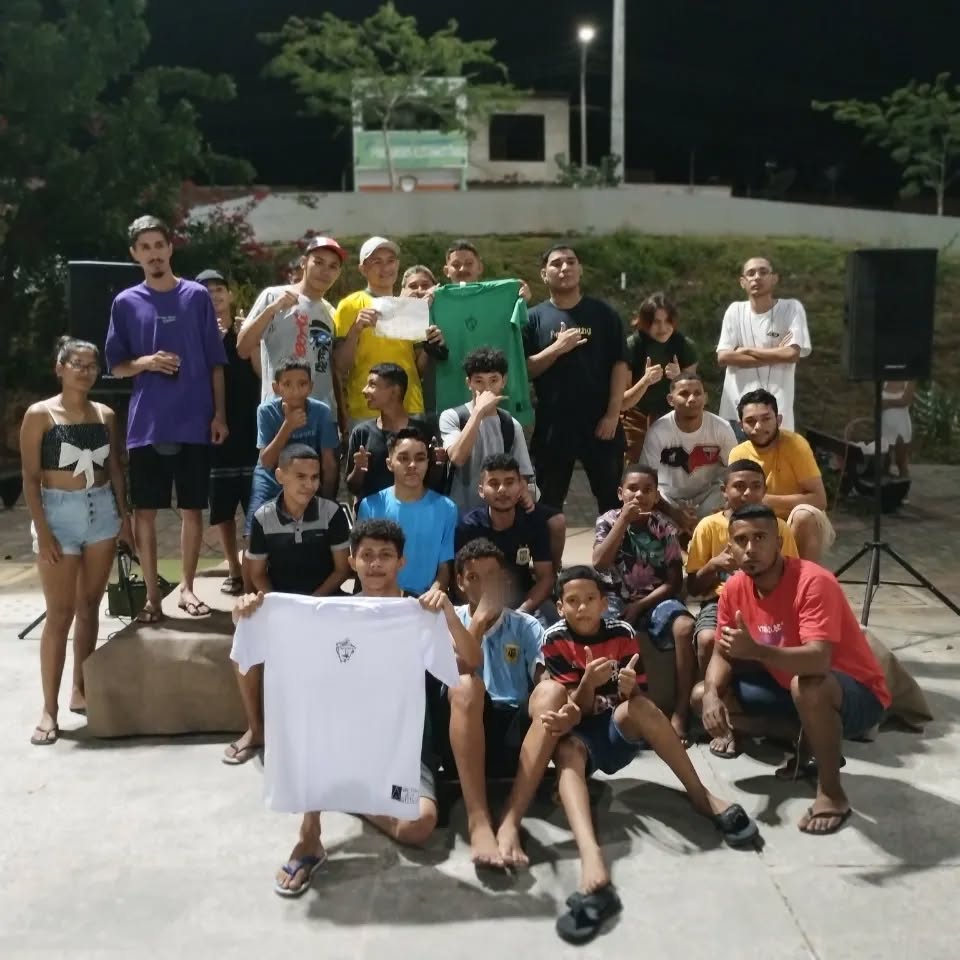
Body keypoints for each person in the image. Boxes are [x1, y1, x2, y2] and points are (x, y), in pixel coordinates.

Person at [233, 518, 481, 896]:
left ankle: (348, 797)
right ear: (351, 561)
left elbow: (471, 662)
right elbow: (253, 647)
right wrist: (247, 613)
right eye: (367, 555)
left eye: (386, 555)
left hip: (402, 747)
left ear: (402, 562)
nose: (376, 563)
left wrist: (448, 612)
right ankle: (310, 835)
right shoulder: (327, 613)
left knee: (419, 826)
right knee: (314, 717)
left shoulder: (419, 610)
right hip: (341, 740)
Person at [543, 566, 758, 944]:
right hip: (578, 736)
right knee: (566, 750)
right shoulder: (554, 639)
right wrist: (588, 685)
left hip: (614, 731)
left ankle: (701, 795)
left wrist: (630, 689)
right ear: (560, 607)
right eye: (572, 601)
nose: (582, 608)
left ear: (604, 603)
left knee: (642, 708)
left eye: (590, 599)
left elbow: (636, 699)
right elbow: (571, 712)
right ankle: (591, 857)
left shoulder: (623, 633)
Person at [693, 504, 891, 834]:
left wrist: (757, 651)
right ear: (731, 548)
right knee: (701, 696)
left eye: (760, 538)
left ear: (779, 542)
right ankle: (804, 737)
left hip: (855, 693)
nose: (750, 548)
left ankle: (832, 794)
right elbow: (722, 653)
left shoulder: (814, 582)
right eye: (741, 540)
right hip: (788, 686)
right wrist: (713, 692)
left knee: (809, 686)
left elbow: (818, 661)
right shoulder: (734, 588)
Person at [105, 215, 228, 622]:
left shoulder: (196, 296)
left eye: (159, 245)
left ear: (170, 248)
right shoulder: (125, 302)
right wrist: (146, 362)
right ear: (135, 254)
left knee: (193, 508)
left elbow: (215, 362)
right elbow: (116, 365)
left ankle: (188, 588)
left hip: (195, 421)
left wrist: (219, 415)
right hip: (147, 425)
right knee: (145, 512)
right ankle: (153, 597)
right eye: (145, 247)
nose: (154, 253)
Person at [19, 337, 133, 744]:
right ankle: (48, 710)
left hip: (101, 512)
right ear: (60, 367)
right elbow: (30, 477)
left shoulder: (105, 414)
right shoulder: (40, 414)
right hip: (58, 514)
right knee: (60, 613)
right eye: (77, 364)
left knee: (90, 607)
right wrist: (43, 529)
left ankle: (80, 689)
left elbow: (115, 469)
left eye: (91, 365)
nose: (85, 371)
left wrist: (124, 517)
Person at [443, 538, 571, 866]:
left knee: (554, 691)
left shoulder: (526, 625)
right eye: (474, 578)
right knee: (467, 685)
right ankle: (478, 820)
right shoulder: (447, 622)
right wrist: (477, 624)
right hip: (463, 729)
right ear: (460, 583)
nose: (484, 586)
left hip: (513, 730)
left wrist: (563, 707)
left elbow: (544, 681)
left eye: (491, 577)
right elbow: (460, 669)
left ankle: (511, 821)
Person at [223, 444, 351, 766]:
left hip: (326, 603)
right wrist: (281, 604)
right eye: (300, 477)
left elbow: (342, 570)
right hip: (281, 604)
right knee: (244, 638)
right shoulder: (262, 517)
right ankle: (257, 730)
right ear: (280, 476)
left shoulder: (332, 513)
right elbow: (257, 573)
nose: (309, 484)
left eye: (315, 477)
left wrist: (312, 603)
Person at [593, 465, 696, 743]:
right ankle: (615, 708)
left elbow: (674, 582)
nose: (639, 495)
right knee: (601, 626)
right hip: (615, 598)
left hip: (655, 599)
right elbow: (599, 562)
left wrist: (640, 606)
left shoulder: (664, 527)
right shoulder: (607, 521)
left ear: (656, 496)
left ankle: (681, 711)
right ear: (620, 493)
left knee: (685, 627)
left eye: (647, 490)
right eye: (632, 489)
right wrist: (623, 522)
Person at [524, 244, 629, 514]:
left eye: (571, 262)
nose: (565, 268)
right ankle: (549, 545)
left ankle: (613, 544)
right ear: (544, 274)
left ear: (580, 270)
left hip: (601, 422)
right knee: (547, 504)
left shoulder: (604, 314)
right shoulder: (532, 319)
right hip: (553, 424)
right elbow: (524, 371)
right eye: (556, 263)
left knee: (613, 501)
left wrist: (612, 415)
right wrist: (557, 349)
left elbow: (620, 365)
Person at [686, 459, 800, 687]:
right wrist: (713, 566)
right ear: (724, 491)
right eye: (739, 486)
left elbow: (792, 575)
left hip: (770, 603)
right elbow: (692, 588)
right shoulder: (708, 526)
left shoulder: (778, 528)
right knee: (708, 639)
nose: (748, 493)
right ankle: (710, 692)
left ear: (765, 491)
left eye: (756, 486)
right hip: (719, 602)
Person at [333, 236, 447, 431]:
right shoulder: (349, 305)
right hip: (366, 409)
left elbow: (418, 367)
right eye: (376, 262)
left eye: (390, 260)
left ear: (398, 265)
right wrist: (355, 330)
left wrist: (431, 345)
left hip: (410, 407)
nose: (385, 268)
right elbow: (340, 366)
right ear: (363, 269)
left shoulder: (410, 307)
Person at [237, 235, 346, 429]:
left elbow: (333, 370)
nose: (325, 271)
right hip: (279, 414)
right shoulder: (274, 296)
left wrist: (342, 421)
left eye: (333, 266)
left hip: (321, 417)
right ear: (304, 263)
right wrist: (271, 310)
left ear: (338, 273)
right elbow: (243, 348)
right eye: (319, 262)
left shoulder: (331, 312)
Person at [196, 269, 261, 595]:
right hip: (214, 429)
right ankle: (234, 569)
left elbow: (261, 373)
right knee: (222, 506)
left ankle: (255, 571)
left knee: (255, 503)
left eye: (219, 289)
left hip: (251, 425)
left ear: (230, 294)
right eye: (206, 291)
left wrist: (248, 337)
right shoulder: (194, 333)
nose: (214, 296)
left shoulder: (245, 330)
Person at [731, 388, 834, 562]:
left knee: (804, 515)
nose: (759, 427)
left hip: (798, 521)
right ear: (740, 425)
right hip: (760, 523)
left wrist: (766, 500)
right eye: (750, 421)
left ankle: (804, 576)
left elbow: (819, 499)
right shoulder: (737, 453)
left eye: (766, 419)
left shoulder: (796, 445)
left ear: (778, 420)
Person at [456, 454, 556, 624]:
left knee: (551, 620)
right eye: (494, 484)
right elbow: (459, 581)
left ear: (521, 487)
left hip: (523, 599)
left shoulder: (533, 522)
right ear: (481, 490)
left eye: (509, 482)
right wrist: (482, 613)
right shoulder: (468, 526)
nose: (502, 489)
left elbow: (545, 577)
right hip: (479, 602)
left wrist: (521, 612)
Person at [356, 428, 458, 595]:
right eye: (404, 458)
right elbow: (365, 563)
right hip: (381, 600)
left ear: (428, 462)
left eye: (420, 458)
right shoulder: (370, 506)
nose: (412, 465)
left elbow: (445, 566)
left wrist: (434, 593)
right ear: (389, 463)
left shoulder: (447, 508)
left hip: (425, 603)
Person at [716, 256, 811, 433]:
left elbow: (792, 354)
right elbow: (724, 357)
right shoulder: (735, 310)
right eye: (751, 273)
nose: (757, 277)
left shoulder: (791, 308)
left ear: (774, 278)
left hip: (777, 414)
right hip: (736, 413)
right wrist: (777, 353)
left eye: (763, 272)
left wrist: (745, 350)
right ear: (742, 282)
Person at [247, 358, 339, 535]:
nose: (295, 391)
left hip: (307, 479)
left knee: (318, 529)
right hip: (272, 478)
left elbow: (329, 464)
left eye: (302, 384)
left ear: (311, 387)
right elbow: (266, 462)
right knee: (255, 530)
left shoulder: (321, 412)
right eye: (287, 384)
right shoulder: (266, 412)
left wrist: (327, 501)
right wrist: (287, 426)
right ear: (276, 388)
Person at [639, 373, 736, 537]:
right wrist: (674, 513)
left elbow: (736, 471)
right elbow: (646, 479)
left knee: (731, 491)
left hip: (708, 497)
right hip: (669, 498)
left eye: (697, 393)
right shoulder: (658, 431)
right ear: (671, 400)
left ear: (705, 398)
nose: (692, 399)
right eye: (684, 394)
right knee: (646, 496)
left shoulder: (722, 428)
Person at [621, 293, 698, 461]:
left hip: (672, 415)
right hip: (637, 417)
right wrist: (645, 381)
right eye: (656, 322)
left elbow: (694, 398)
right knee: (636, 466)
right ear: (645, 322)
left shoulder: (683, 346)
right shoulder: (632, 346)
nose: (663, 328)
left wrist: (681, 379)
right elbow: (623, 402)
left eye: (667, 321)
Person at [346, 363, 434, 502]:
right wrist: (359, 469)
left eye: (372, 385)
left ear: (395, 391)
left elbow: (433, 483)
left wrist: (440, 464)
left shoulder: (423, 432)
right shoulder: (362, 433)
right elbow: (352, 487)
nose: (364, 390)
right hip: (373, 513)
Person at [441, 240, 532, 301]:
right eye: (456, 265)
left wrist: (521, 301)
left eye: (469, 263)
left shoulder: (497, 299)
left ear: (480, 267)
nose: (462, 269)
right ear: (446, 271)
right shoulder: (437, 301)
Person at [882, 380, 915, 479]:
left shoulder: (910, 380)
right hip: (884, 426)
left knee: (901, 461)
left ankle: (904, 484)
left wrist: (886, 402)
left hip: (901, 426)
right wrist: (894, 403)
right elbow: (876, 401)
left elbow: (905, 401)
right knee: (884, 462)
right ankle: (887, 485)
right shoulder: (884, 379)